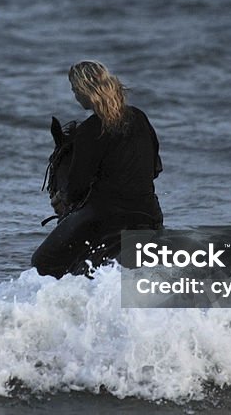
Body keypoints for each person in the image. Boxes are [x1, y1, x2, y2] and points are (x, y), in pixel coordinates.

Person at [32, 60, 163, 278]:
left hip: (105, 218)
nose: (75, 95)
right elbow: (154, 168)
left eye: (75, 90)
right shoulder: (139, 117)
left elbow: (76, 188)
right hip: (150, 214)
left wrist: (63, 199)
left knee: (42, 264)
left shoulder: (90, 130)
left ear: (85, 91)